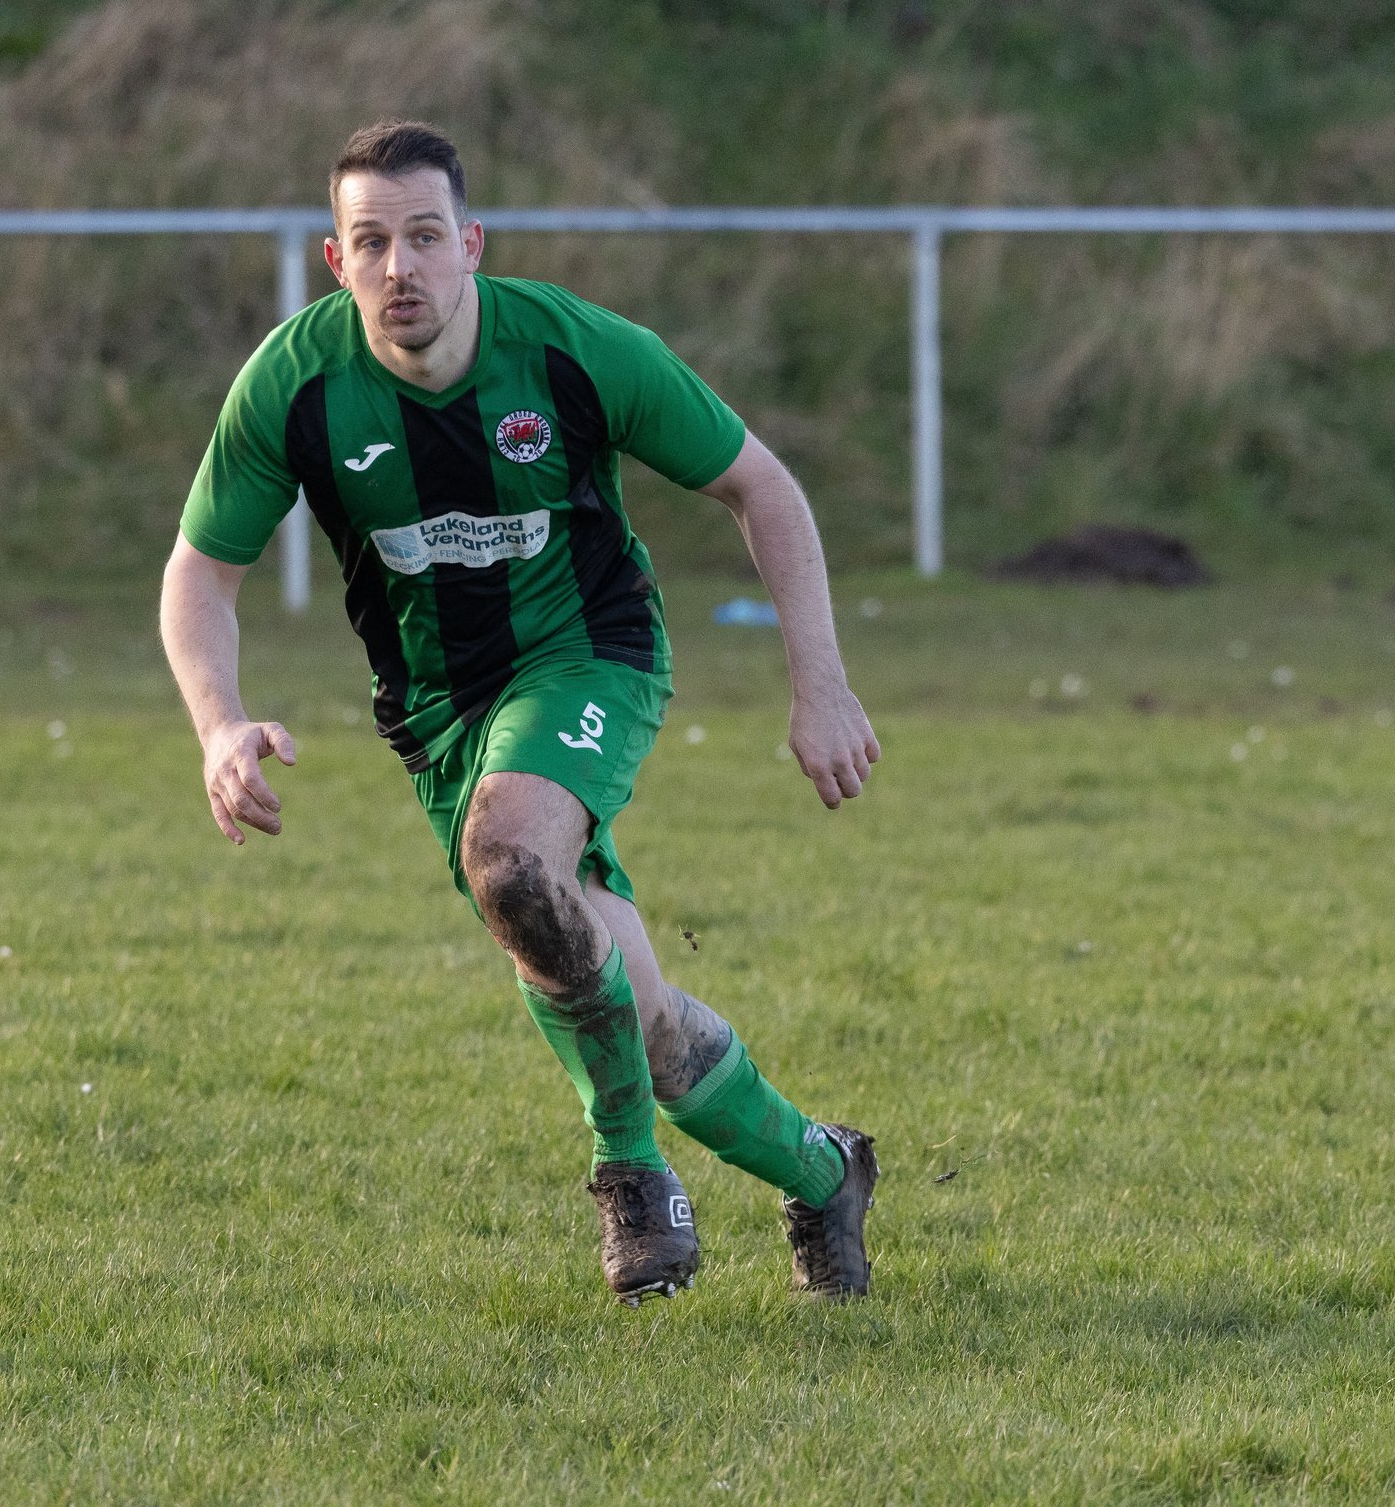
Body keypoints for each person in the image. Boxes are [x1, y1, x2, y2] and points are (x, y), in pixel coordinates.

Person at [160, 119, 883, 1304]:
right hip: (441, 715)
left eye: (426, 236)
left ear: (471, 245)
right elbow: (200, 573)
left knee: (509, 859)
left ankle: (630, 1176)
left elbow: (760, 483)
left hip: (588, 652)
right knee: (622, 998)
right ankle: (823, 1169)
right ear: (333, 263)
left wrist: (823, 684)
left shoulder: (571, 352)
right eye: (372, 241)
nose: (402, 267)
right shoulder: (294, 385)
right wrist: (217, 722)